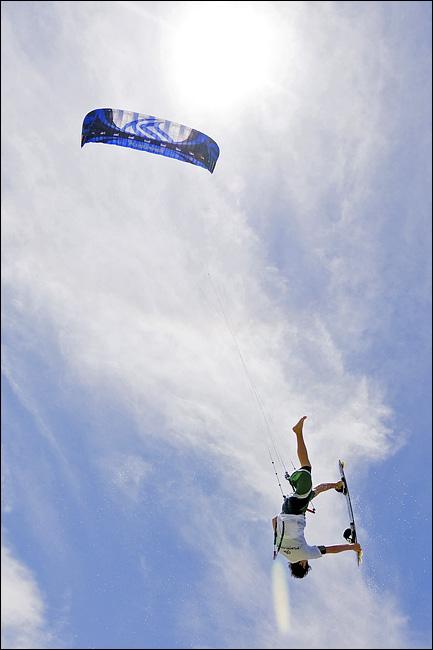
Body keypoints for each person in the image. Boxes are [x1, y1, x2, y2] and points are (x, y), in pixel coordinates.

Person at [272, 416, 362, 579]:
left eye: (306, 563)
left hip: (296, 510)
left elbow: (330, 549)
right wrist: (288, 519)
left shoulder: (305, 554)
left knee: (307, 469)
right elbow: (273, 521)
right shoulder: (280, 551)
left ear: (301, 564)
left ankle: (298, 433)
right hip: (290, 508)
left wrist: (353, 547)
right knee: (314, 491)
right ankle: (337, 485)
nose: (307, 560)